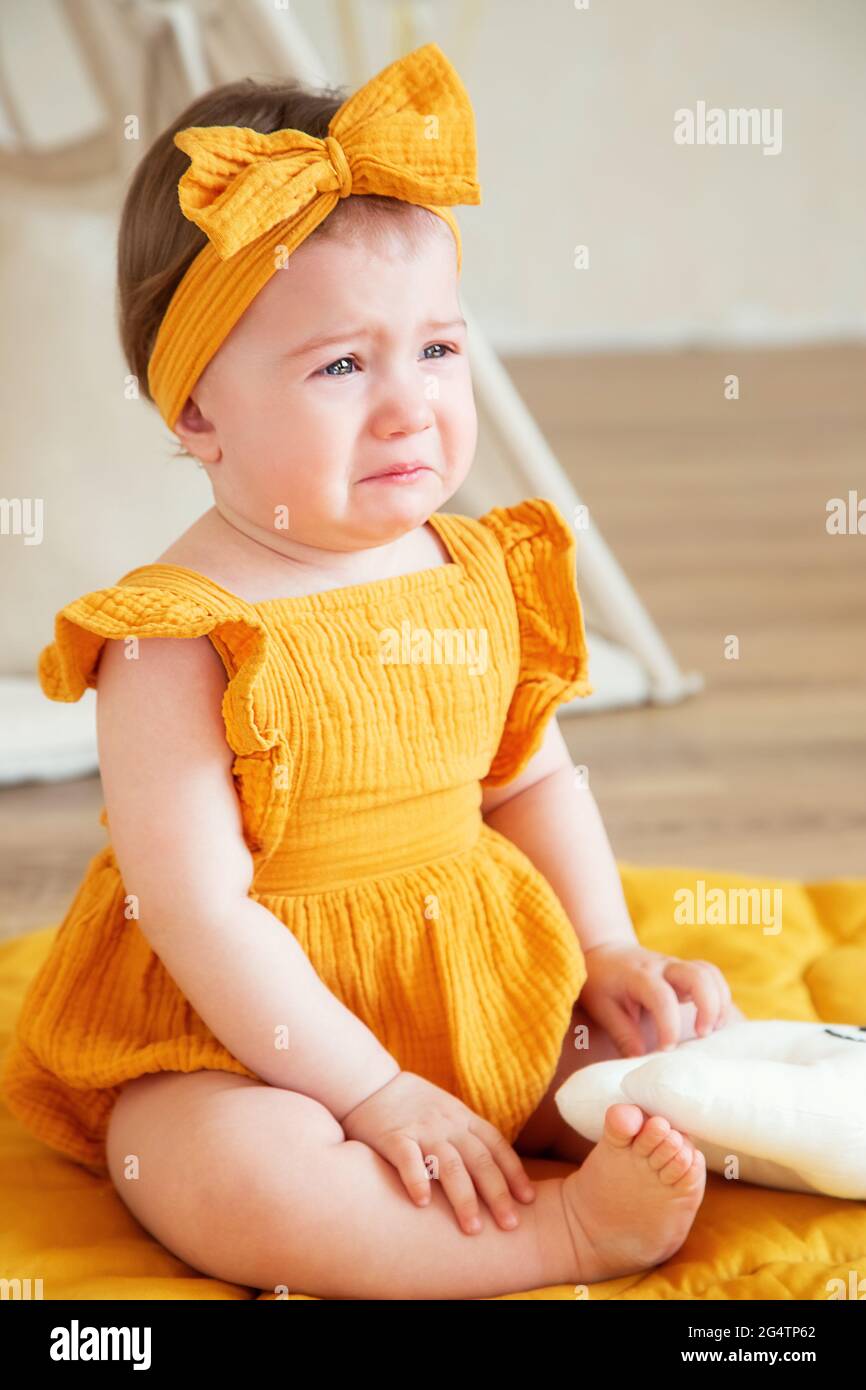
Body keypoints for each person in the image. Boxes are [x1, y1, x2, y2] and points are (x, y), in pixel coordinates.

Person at [1, 43, 744, 1299]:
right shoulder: (177, 633)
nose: (409, 408)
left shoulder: (477, 567)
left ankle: (620, 1129)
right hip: (244, 1030)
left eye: (438, 350)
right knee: (221, 1167)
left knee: (662, 1053)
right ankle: (551, 1238)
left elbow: (530, 784)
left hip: (475, 977)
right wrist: (369, 1089)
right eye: (343, 365)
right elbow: (198, 912)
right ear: (196, 413)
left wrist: (608, 951)